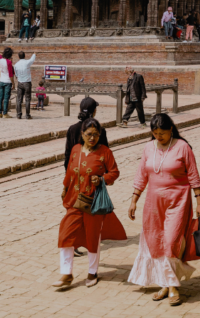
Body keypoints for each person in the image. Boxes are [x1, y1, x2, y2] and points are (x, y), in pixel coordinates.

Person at [127, 114, 200, 306]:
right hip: (153, 204)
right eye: (154, 133)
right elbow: (141, 176)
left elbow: (194, 176)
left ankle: (172, 287)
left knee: (171, 241)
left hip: (178, 201)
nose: (158, 137)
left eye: (161, 133)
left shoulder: (182, 147)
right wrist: (134, 200)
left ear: (171, 129)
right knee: (157, 242)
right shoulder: (148, 148)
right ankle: (166, 282)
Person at [55, 118, 125, 288]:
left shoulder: (105, 152)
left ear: (99, 135)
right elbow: (70, 171)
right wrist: (65, 187)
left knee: (92, 237)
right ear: (82, 134)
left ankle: (92, 272)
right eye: (88, 134)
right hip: (74, 200)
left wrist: (102, 179)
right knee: (65, 234)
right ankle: (66, 273)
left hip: (94, 203)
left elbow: (114, 172)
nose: (92, 138)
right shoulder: (75, 149)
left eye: (95, 134)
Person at [65, 97, 109, 169]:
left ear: (80, 110)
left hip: (76, 170)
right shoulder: (100, 130)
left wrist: (68, 173)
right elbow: (106, 154)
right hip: (95, 170)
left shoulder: (72, 129)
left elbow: (68, 154)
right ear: (94, 111)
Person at [14, 49, 36, 119]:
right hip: (27, 82)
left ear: (18, 57)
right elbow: (32, 60)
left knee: (19, 99)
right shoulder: (27, 62)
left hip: (20, 83)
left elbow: (16, 75)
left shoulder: (16, 65)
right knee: (27, 99)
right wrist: (34, 54)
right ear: (24, 56)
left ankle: (18, 114)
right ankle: (27, 114)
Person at [0, 47, 15, 118]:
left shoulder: (0, 60)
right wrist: (13, 84)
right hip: (8, 81)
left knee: (0, 97)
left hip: (1, 81)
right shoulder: (9, 62)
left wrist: (4, 53)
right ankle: (5, 113)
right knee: (6, 98)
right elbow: (11, 74)